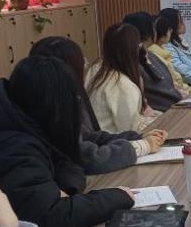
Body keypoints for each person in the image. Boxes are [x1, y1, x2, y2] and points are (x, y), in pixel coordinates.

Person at [0, 56, 134, 227]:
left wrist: (66, 189)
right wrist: (117, 197)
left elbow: (68, 161)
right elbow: (49, 216)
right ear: (56, 104)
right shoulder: (12, 145)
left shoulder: (26, 123)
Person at [30, 36, 165, 173]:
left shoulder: (63, 96)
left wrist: (136, 137)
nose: (84, 66)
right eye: (81, 62)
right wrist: (141, 146)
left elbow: (89, 136)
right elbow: (88, 158)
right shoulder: (51, 110)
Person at [87, 23, 160, 135]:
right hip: (114, 141)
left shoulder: (94, 70)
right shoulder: (124, 86)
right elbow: (129, 131)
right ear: (135, 49)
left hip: (96, 138)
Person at [122, 11, 184, 112]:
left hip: (176, 105)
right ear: (150, 31)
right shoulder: (134, 61)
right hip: (165, 111)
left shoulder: (149, 54)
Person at [148, 12, 191, 96]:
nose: (171, 31)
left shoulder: (163, 50)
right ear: (161, 34)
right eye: (168, 29)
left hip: (184, 90)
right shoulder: (156, 55)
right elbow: (174, 82)